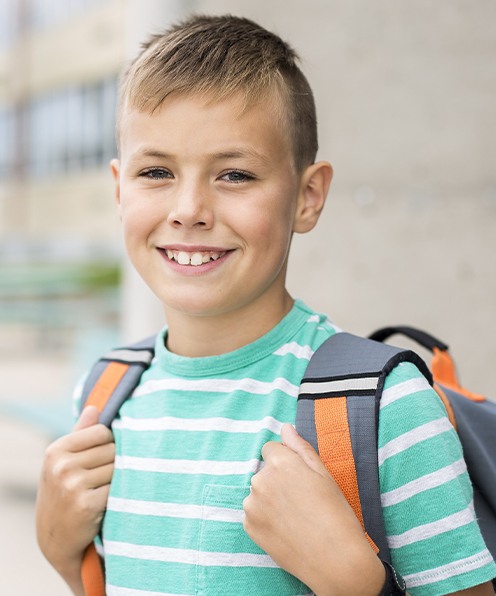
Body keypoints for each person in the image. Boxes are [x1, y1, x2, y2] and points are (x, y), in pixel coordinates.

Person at [36, 14, 495, 596]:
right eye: (156, 172)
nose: (189, 208)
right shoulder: (103, 399)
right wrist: (62, 555)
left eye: (234, 174)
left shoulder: (384, 411)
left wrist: (353, 582)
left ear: (307, 197)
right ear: (119, 189)